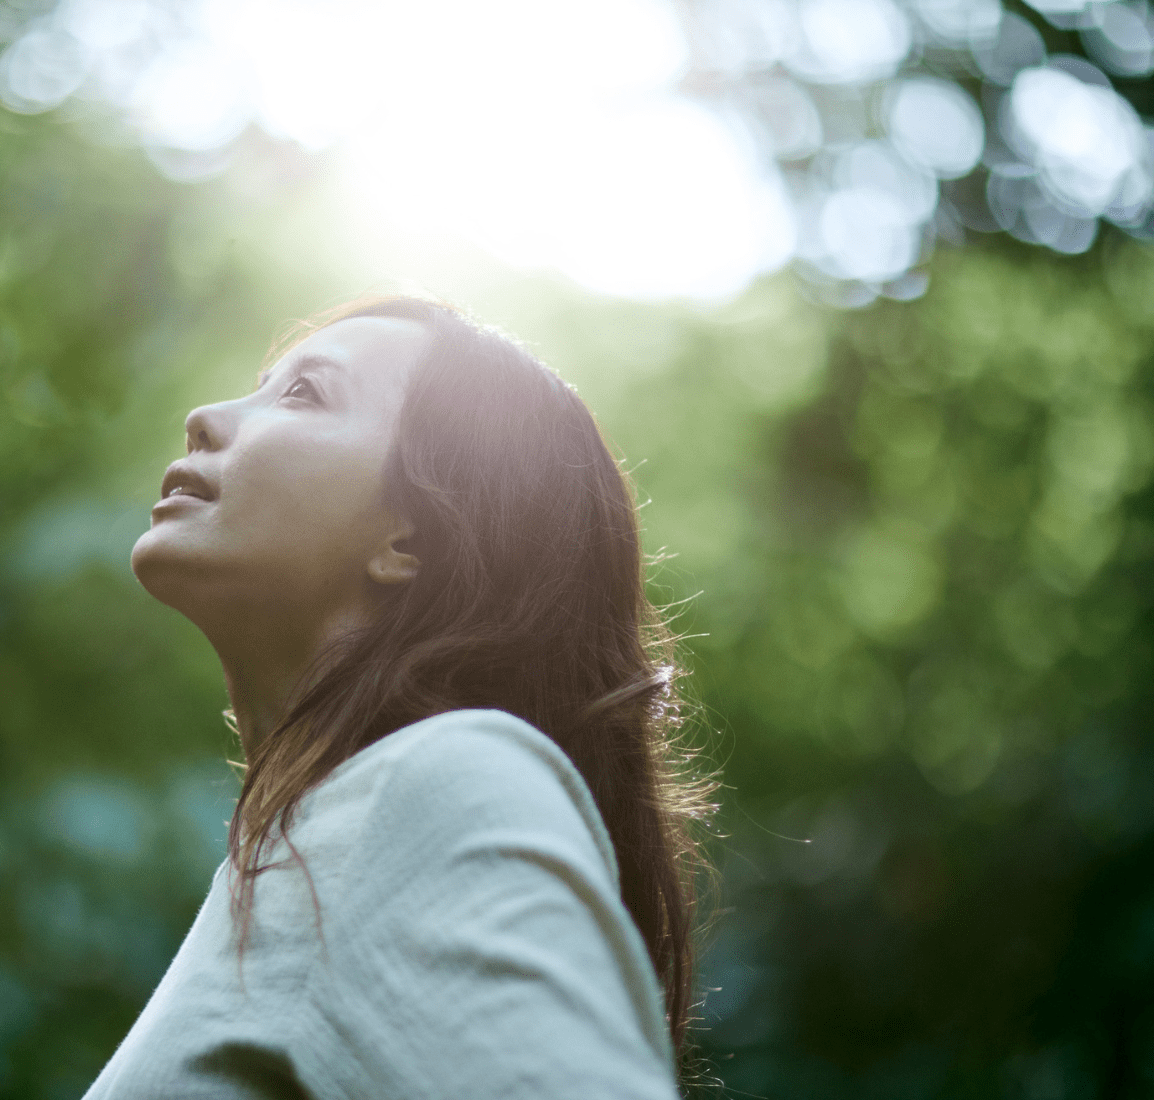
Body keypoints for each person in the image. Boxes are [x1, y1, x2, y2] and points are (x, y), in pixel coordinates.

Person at [84, 296, 714, 1098]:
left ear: (408, 538)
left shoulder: (440, 787)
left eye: (304, 394)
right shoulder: (297, 856)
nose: (205, 417)